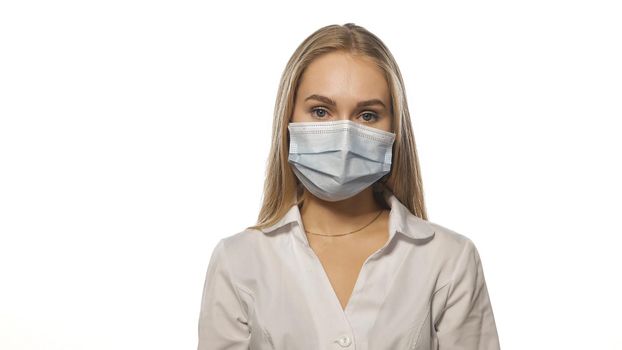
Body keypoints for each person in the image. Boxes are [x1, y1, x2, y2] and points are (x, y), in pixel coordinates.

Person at [197, 23, 501, 350]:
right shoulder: (238, 260)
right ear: (289, 119)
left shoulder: (448, 259)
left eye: (367, 115)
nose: (344, 137)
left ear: (394, 129)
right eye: (321, 111)